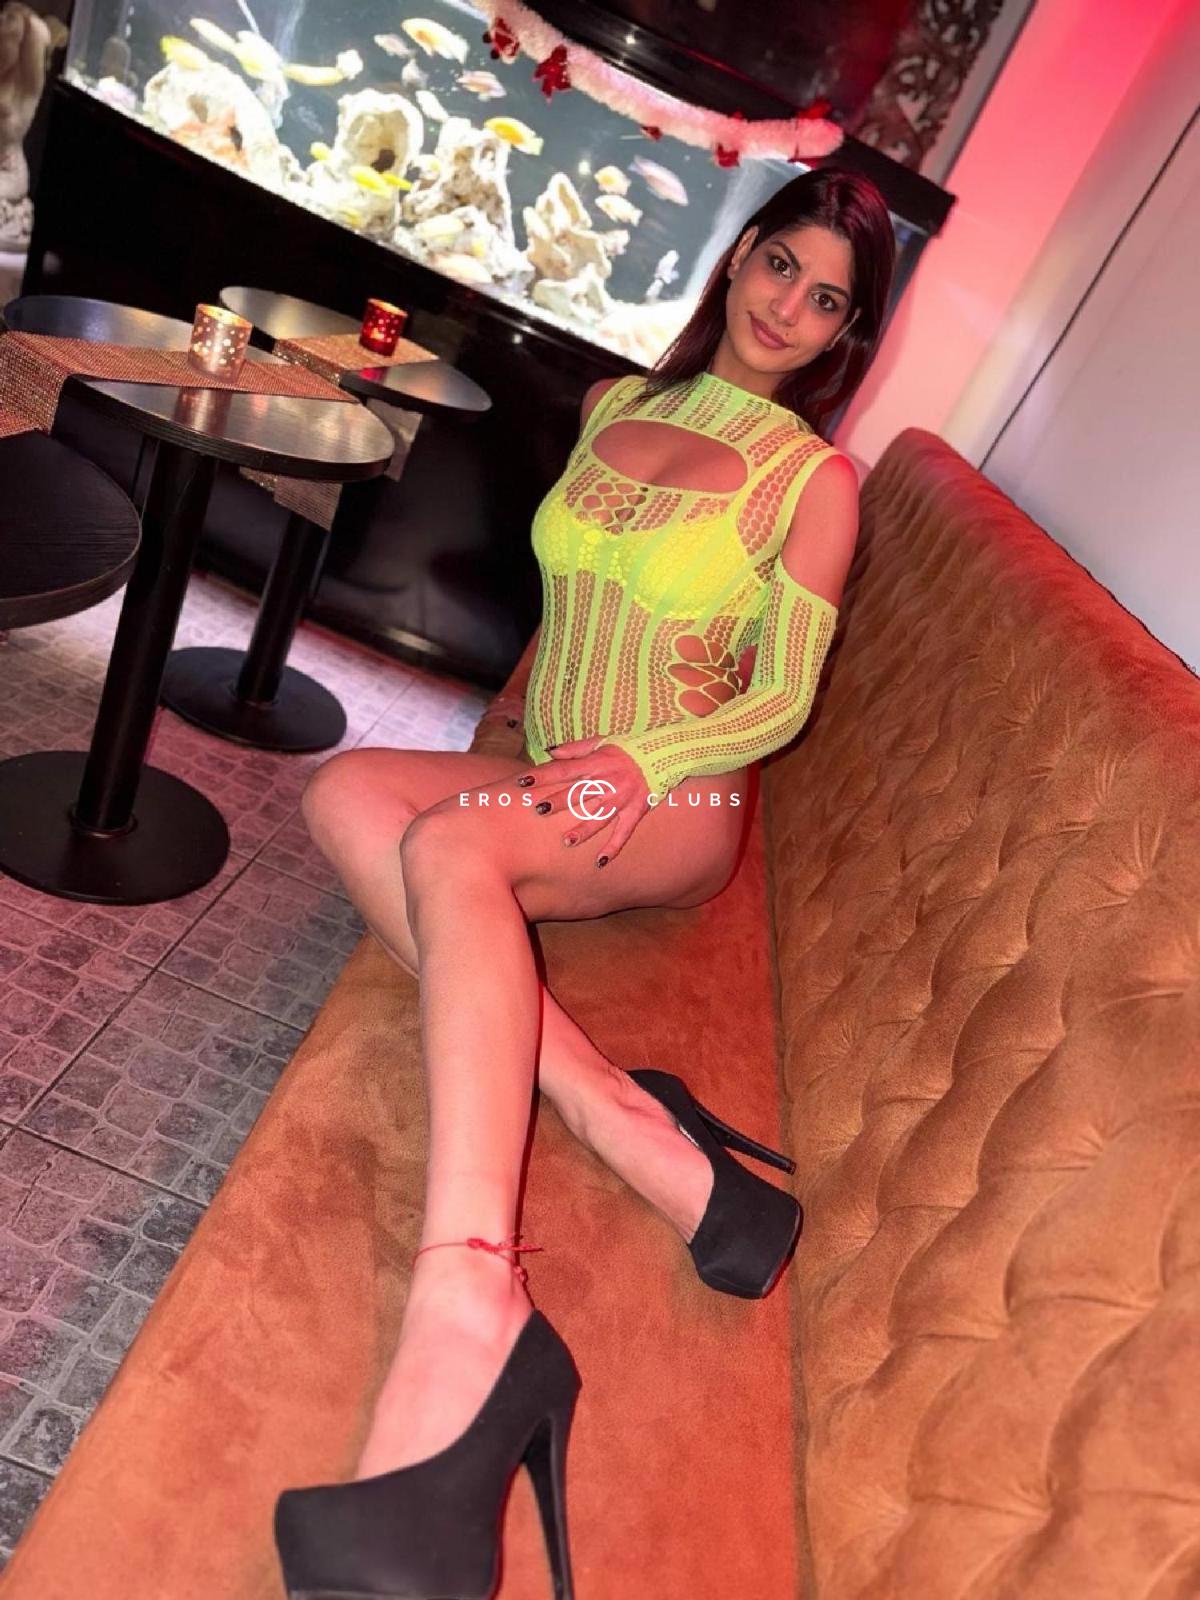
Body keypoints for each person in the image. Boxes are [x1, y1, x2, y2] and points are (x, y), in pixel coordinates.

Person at [273, 165, 896, 1599]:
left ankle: (472, 1290)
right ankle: (622, 1112)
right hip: (558, 771)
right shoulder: (618, 406)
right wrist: (515, 742)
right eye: (781, 265)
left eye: (827, 301)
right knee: (346, 790)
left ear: (844, 334)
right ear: (741, 255)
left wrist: (642, 758)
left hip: (679, 797)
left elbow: (780, 697)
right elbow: (567, 621)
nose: (789, 307)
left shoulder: (816, 481)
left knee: (448, 848)